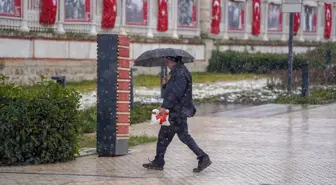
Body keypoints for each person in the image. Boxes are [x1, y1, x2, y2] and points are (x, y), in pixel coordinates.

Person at [142, 56, 212, 173]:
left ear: (173, 62)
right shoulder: (179, 72)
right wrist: (166, 84)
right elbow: (174, 90)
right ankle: (160, 161)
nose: (167, 64)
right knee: (175, 136)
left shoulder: (179, 74)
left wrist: (165, 106)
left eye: (168, 62)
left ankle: (202, 157)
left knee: (170, 137)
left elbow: (175, 93)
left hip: (176, 112)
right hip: (178, 111)